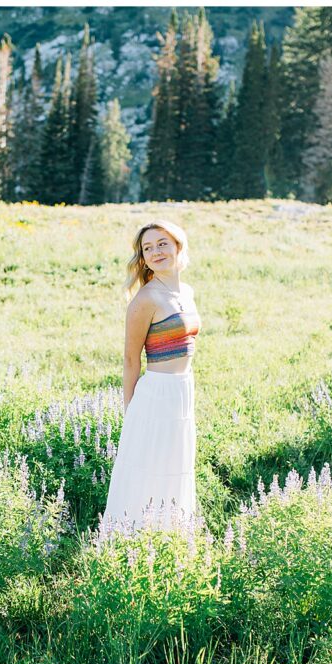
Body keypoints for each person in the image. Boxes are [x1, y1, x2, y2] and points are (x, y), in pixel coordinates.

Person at [101, 220, 201, 533]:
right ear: (142, 259)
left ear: (178, 246)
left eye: (162, 243)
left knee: (175, 466)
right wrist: (130, 411)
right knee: (147, 469)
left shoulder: (186, 291)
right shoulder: (145, 300)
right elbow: (131, 360)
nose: (156, 251)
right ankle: (131, 541)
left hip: (182, 390)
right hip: (155, 394)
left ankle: (169, 537)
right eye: (148, 248)